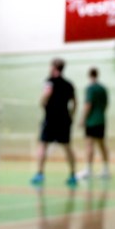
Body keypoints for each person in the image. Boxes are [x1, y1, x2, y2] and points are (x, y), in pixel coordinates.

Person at [31, 58, 79, 188]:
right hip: (64, 119)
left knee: (43, 145)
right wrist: (72, 116)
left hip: (51, 119)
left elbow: (47, 94)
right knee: (67, 147)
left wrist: (42, 103)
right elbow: (75, 102)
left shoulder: (49, 82)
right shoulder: (69, 84)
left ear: (54, 68)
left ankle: (40, 174)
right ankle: (73, 175)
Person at [80, 66, 110, 180]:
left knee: (89, 145)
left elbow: (88, 105)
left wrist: (83, 118)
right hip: (101, 120)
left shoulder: (90, 88)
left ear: (89, 75)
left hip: (91, 121)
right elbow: (106, 104)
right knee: (102, 145)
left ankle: (88, 169)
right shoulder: (103, 89)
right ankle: (106, 170)